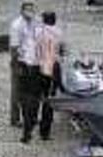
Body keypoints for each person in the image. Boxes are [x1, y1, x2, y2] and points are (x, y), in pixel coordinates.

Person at [29, 11, 62, 142]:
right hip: (51, 70)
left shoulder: (37, 32)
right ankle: (45, 131)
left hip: (37, 68)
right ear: (54, 20)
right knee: (49, 100)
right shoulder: (58, 32)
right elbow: (60, 51)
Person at [9, 2, 38, 127]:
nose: (30, 12)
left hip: (32, 61)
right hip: (20, 62)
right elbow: (14, 47)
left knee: (31, 90)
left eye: (32, 10)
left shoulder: (34, 22)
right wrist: (16, 65)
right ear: (22, 11)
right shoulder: (16, 25)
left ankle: (31, 116)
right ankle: (15, 119)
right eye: (27, 10)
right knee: (17, 91)